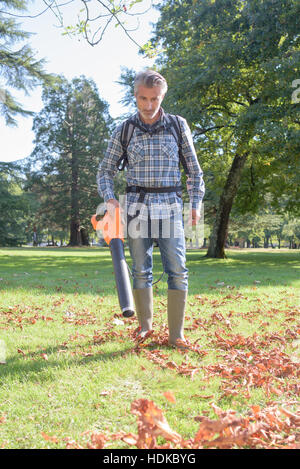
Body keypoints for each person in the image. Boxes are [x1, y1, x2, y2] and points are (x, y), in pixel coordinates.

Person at [97, 69, 205, 347]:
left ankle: (176, 335)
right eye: (143, 98)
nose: (148, 105)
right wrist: (110, 200)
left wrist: (196, 202)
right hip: (136, 209)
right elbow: (105, 171)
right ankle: (145, 329)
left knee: (178, 269)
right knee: (141, 269)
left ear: (162, 96)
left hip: (169, 207)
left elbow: (194, 171)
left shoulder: (178, 126)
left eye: (154, 99)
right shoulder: (125, 129)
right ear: (135, 96)